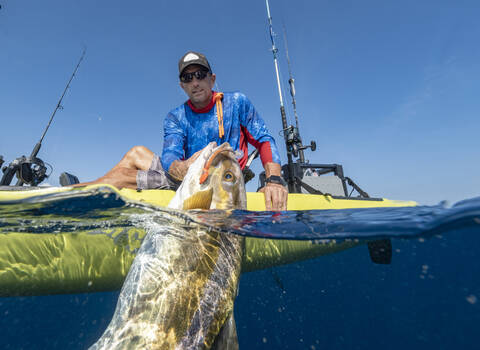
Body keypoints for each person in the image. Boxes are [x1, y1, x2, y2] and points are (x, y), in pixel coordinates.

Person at [78, 51, 288, 210]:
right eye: (188, 78)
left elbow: (264, 140)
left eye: (200, 75)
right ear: (182, 86)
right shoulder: (175, 117)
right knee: (136, 152)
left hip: (220, 182)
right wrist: (184, 167)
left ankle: (82, 191)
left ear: (212, 79)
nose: (195, 83)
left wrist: (274, 181)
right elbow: (170, 156)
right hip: (186, 175)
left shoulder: (237, 103)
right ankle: (83, 192)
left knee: (123, 175)